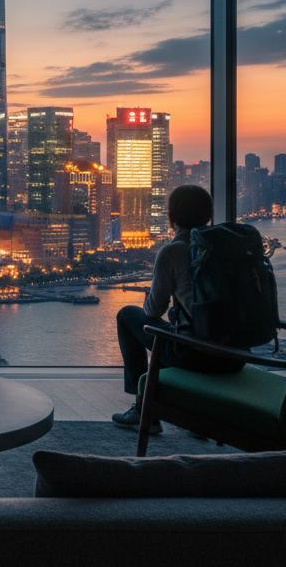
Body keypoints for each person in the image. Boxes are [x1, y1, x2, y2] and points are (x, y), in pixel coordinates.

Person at [111, 184, 244, 433]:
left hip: (195, 355)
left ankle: (144, 410)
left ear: (170, 217)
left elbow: (152, 313)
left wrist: (152, 292)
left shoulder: (172, 252)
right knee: (176, 329)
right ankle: (195, 415)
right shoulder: (228, 248)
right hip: (236, 355)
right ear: (209, 216)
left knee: (127, 315)